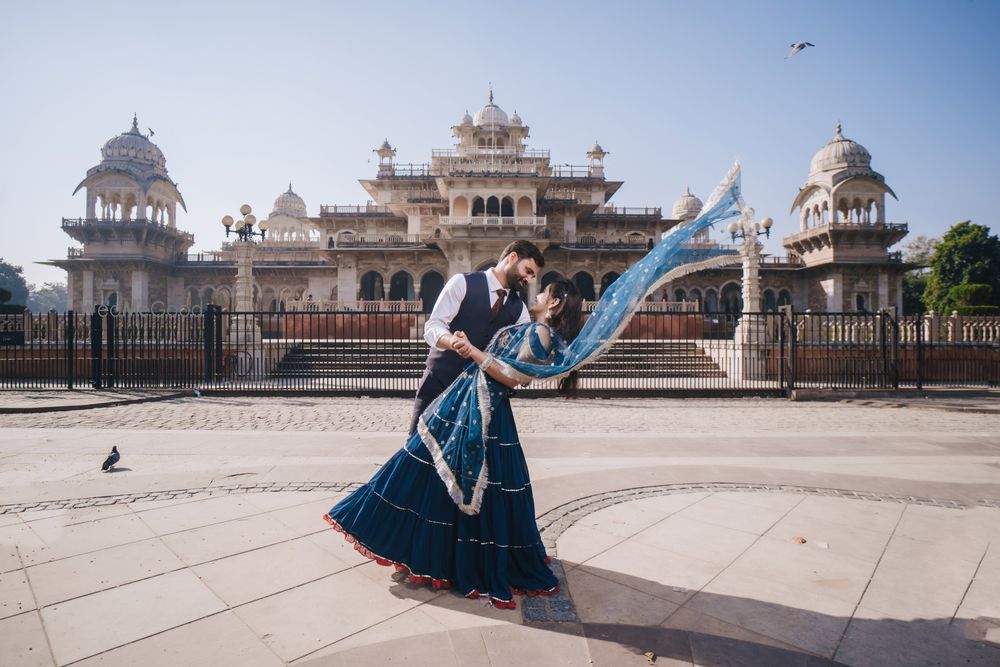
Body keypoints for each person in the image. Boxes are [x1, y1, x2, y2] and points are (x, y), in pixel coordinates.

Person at [325, 278, 583, 608]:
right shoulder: (532, 327)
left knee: (442, 472)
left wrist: (474, 351)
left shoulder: (541, 333)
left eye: (545, 290)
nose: (537, 291)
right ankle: (433, 552)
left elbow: (514, 377)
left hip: (484, 411)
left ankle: (442, 554)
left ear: (555, 303)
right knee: (433, 470)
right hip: (470, 403)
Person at [408, 240, 544, 436]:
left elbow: (521, 351)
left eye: (533, 276)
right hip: (440, 382)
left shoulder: (519, 309)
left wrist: (525, 368)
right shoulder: (462, 282)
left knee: (469, 462)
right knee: (420, 452)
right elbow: (433, 326)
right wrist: (452, 341)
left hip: (480, 397)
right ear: (512, 258)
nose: (529, 280)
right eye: (528, 271)